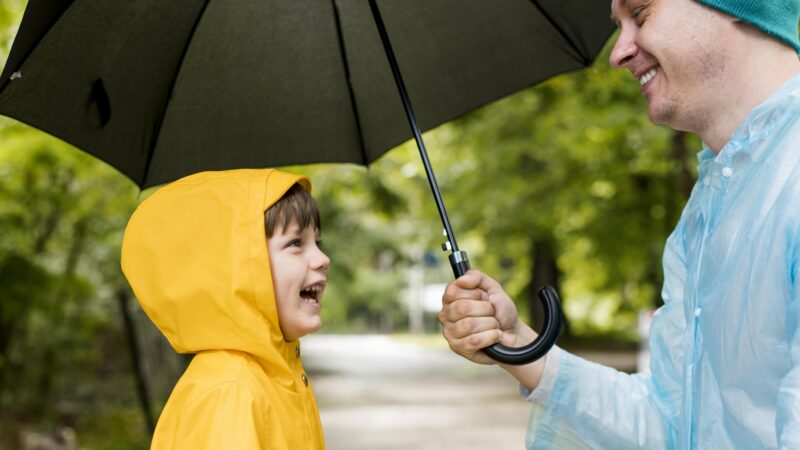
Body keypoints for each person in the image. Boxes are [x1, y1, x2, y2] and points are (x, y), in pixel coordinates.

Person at [439, 0, 800, 448]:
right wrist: (517, 344)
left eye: (642, 14)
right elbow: (669, 422)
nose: (618, 53)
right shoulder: (707, 212)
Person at [121, 169, 329, 449]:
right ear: (238, 268)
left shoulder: (279, 376)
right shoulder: (231, 393)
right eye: (295, 243)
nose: (322, 258)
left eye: (317, 242)